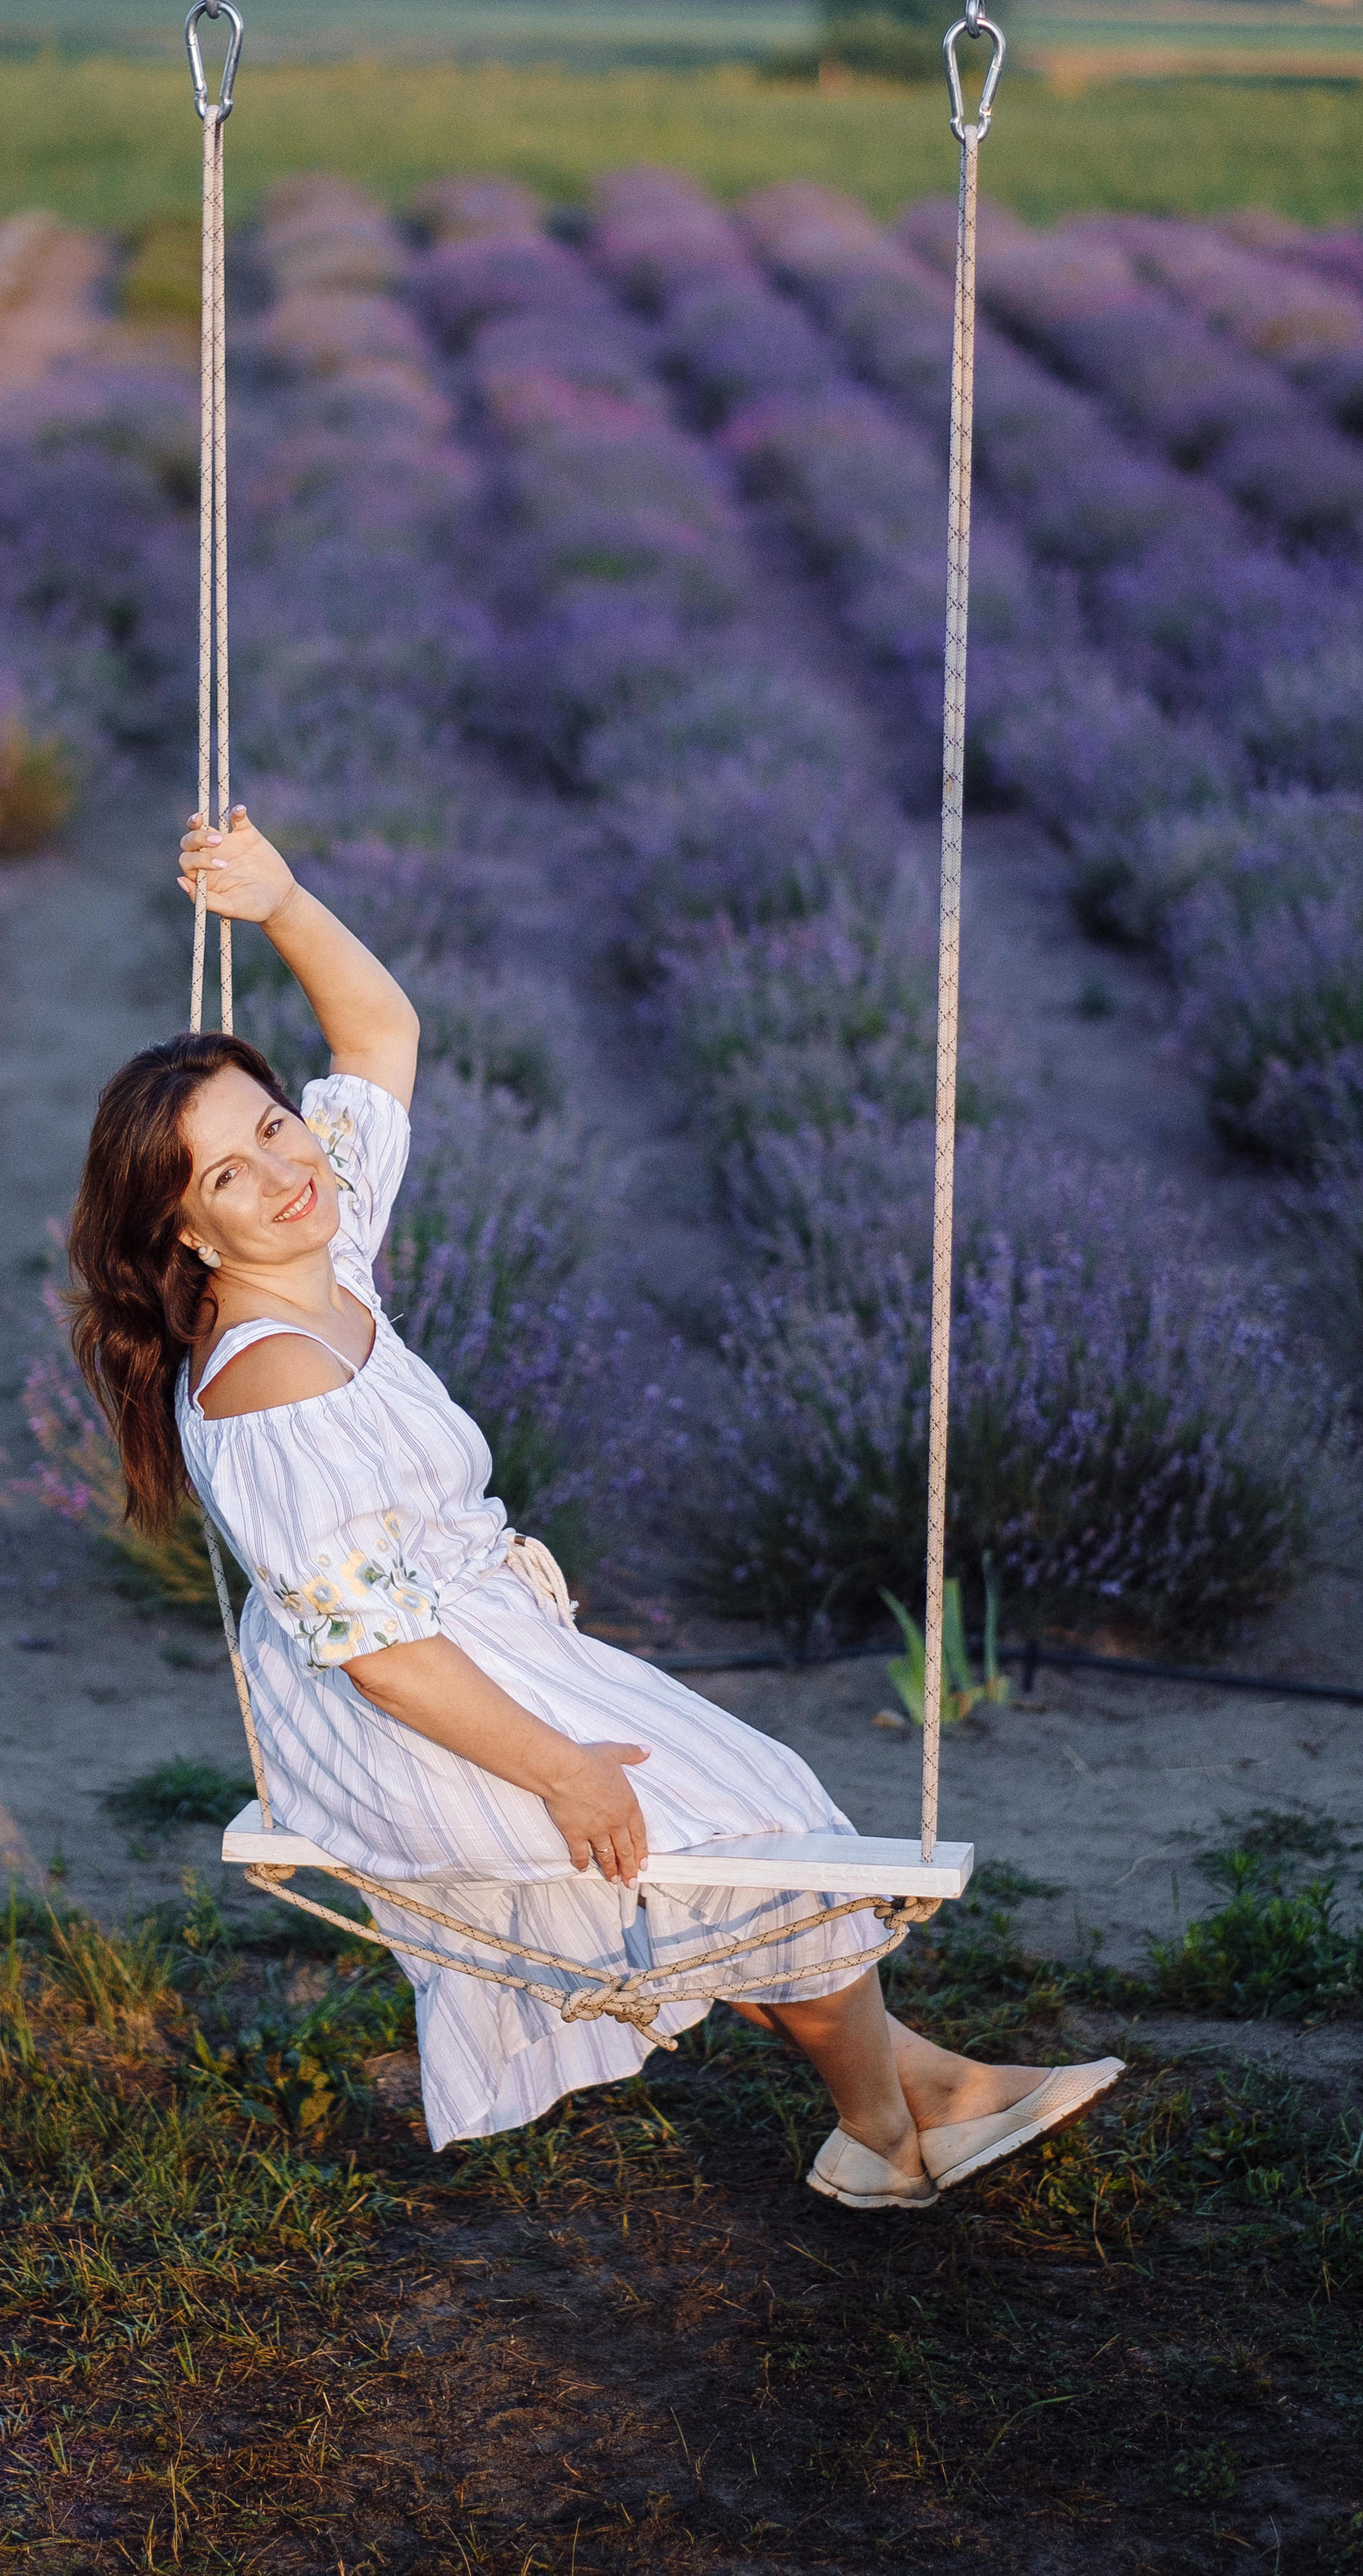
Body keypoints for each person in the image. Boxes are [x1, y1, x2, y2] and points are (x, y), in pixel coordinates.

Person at [66, 806, 1123, 2202]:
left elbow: (378, 1037)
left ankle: (904, 2107)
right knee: (746, 1830)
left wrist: (277, 900)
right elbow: (376, 1649)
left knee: (748, 1828)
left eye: (271, 1125)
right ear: (185, 1234)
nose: (281, 1171)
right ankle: (889, 2127)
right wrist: (557, 1769)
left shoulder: (322, 1248)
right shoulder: (266, 1386)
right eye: (227, 1175)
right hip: (401, 1705)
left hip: (470, 1639)